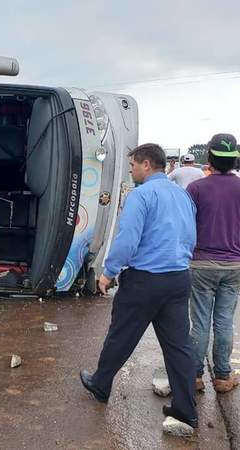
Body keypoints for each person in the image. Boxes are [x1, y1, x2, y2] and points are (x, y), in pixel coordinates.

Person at [80, 143, 198, 429]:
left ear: (146, 165)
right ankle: (186, 410)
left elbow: (127, 240)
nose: (131, 170)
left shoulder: (141, 195)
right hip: (179, 279)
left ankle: (101, 383)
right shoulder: (182, 195)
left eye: (133, 165)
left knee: (121, 334)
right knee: (179, 347)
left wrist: (108, 273)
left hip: (145, 280)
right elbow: (191, 236)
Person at [186, 133, 240, 394]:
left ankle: (194, 376)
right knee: (224, 321)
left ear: (209, 158)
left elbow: (185, 226)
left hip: (201, 264)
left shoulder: (196, 188)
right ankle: (222, 377)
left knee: (200, 322)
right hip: (234, 266)